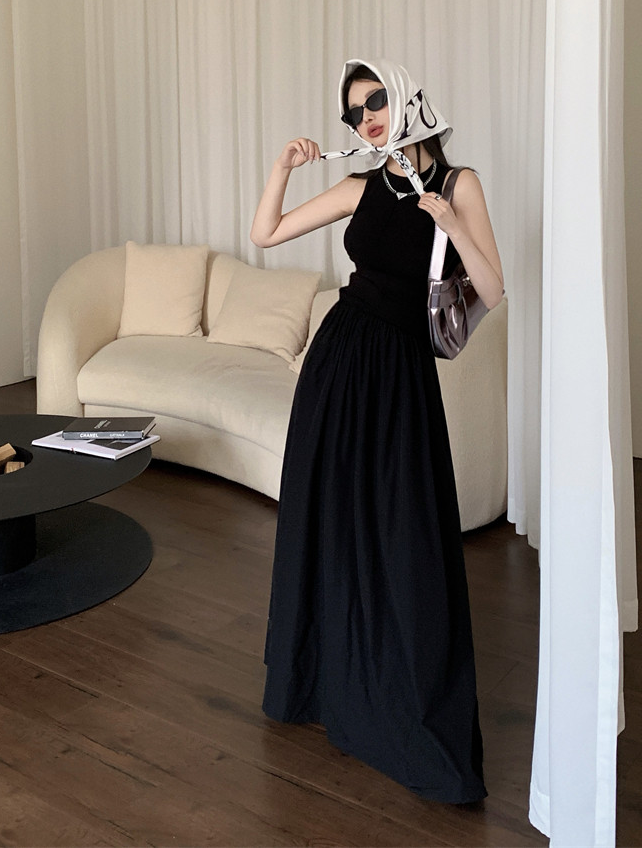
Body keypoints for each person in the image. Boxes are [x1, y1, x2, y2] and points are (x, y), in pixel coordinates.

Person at [250, 58, 504, 804]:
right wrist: (282, 167)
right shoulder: (360, 186)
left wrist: (450, 223)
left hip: (401, 374)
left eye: (376, 101)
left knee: (403, 530)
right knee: (330, 519)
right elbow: (266, 233)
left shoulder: (459, 184)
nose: (366, 119)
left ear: (408, 96)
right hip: (338, 362)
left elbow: (493, 290)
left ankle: (402, 700)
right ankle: (319, 681)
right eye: (354, 112)